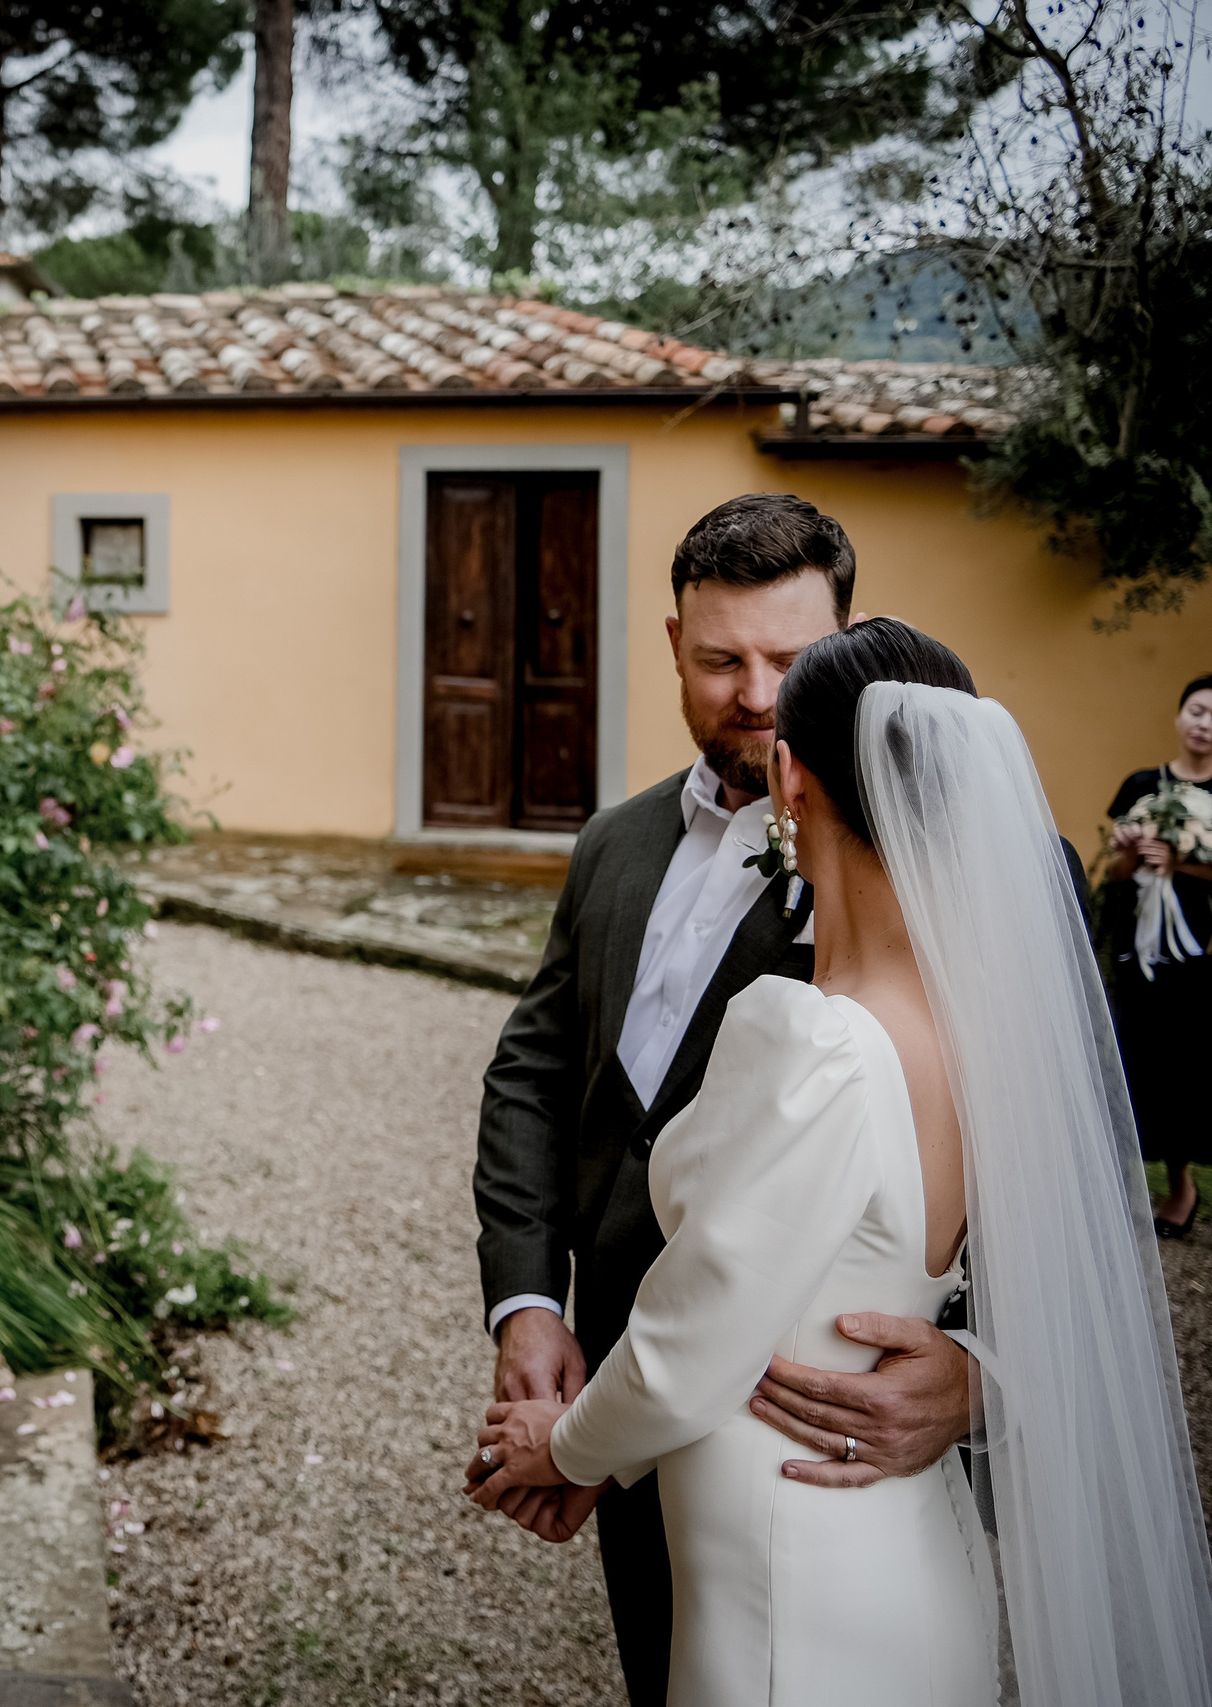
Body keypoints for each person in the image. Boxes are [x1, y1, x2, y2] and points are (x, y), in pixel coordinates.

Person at [468, 620, 1212, 1704]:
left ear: (789, 778)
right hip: (908, 1540)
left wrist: (563, 1444)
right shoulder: (995, 1031)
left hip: (788, 1568)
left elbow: (690, 1337)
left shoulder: (815, 1039)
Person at [471, 496, 972, 1706]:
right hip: (615, 1385)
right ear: (671, 646)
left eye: (790, 662)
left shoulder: (967, 865)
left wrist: (977, 1378)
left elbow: (1061, 1164)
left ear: (847, 645)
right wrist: (528, 1303)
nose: (755, 696)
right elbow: (535, 1071)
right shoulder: (615, 842)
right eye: (719, 661)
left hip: (813, 1439)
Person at [1100, 673, 1212, 1238]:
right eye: (1197, 710)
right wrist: (1131, 854)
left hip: (1196, 953)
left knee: (1183, 1066)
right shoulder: (1143, 785)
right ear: (1179, 715)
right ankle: (1125, 1188)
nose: (1204, 723)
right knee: (1130, 1059)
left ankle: (1182, 1188)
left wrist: (1181, 863)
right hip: (1137, 948)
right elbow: (1116, 875)